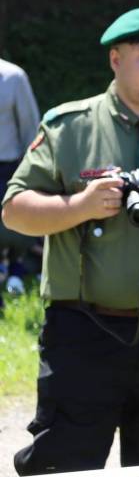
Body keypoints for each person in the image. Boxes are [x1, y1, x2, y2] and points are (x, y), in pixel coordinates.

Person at [2, 7, 139, 476]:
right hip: (83, 331)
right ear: (116, 59)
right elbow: (14, 211)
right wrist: (80, 206)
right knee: (62, 473)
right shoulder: (70, 127)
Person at [0, 57, 41, 299]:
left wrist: (32, 169)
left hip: (6, 166)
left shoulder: (13, 77)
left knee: (12, 229)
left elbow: (30, 127)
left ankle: (17, 269)